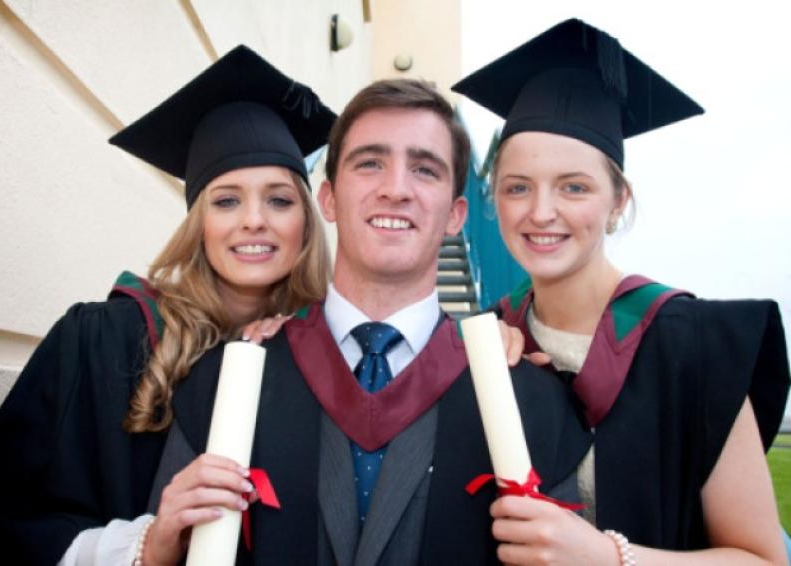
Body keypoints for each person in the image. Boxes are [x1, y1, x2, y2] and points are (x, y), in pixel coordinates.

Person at [125, 78, 594, 565]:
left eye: (425, 169)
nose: (396, 189)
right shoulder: (222, 381)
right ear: (328, 199)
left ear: (456, 215)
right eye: (370, 163)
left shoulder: (529, 399)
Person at [453, 18, 790, 564]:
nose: (541, 212)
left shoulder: (694, 345)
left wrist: (608, 557)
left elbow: (763, 559)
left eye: (574, 187)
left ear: (618, 202)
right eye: (518, 187)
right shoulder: (487, 343)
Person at [0, 45, 335, 564]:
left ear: (305, 222)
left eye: (280, 200)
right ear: (199, 223)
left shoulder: (326, 354)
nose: (254, 220)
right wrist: (145, 547)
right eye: (226, 200)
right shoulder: (103, 339)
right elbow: (8, 519)